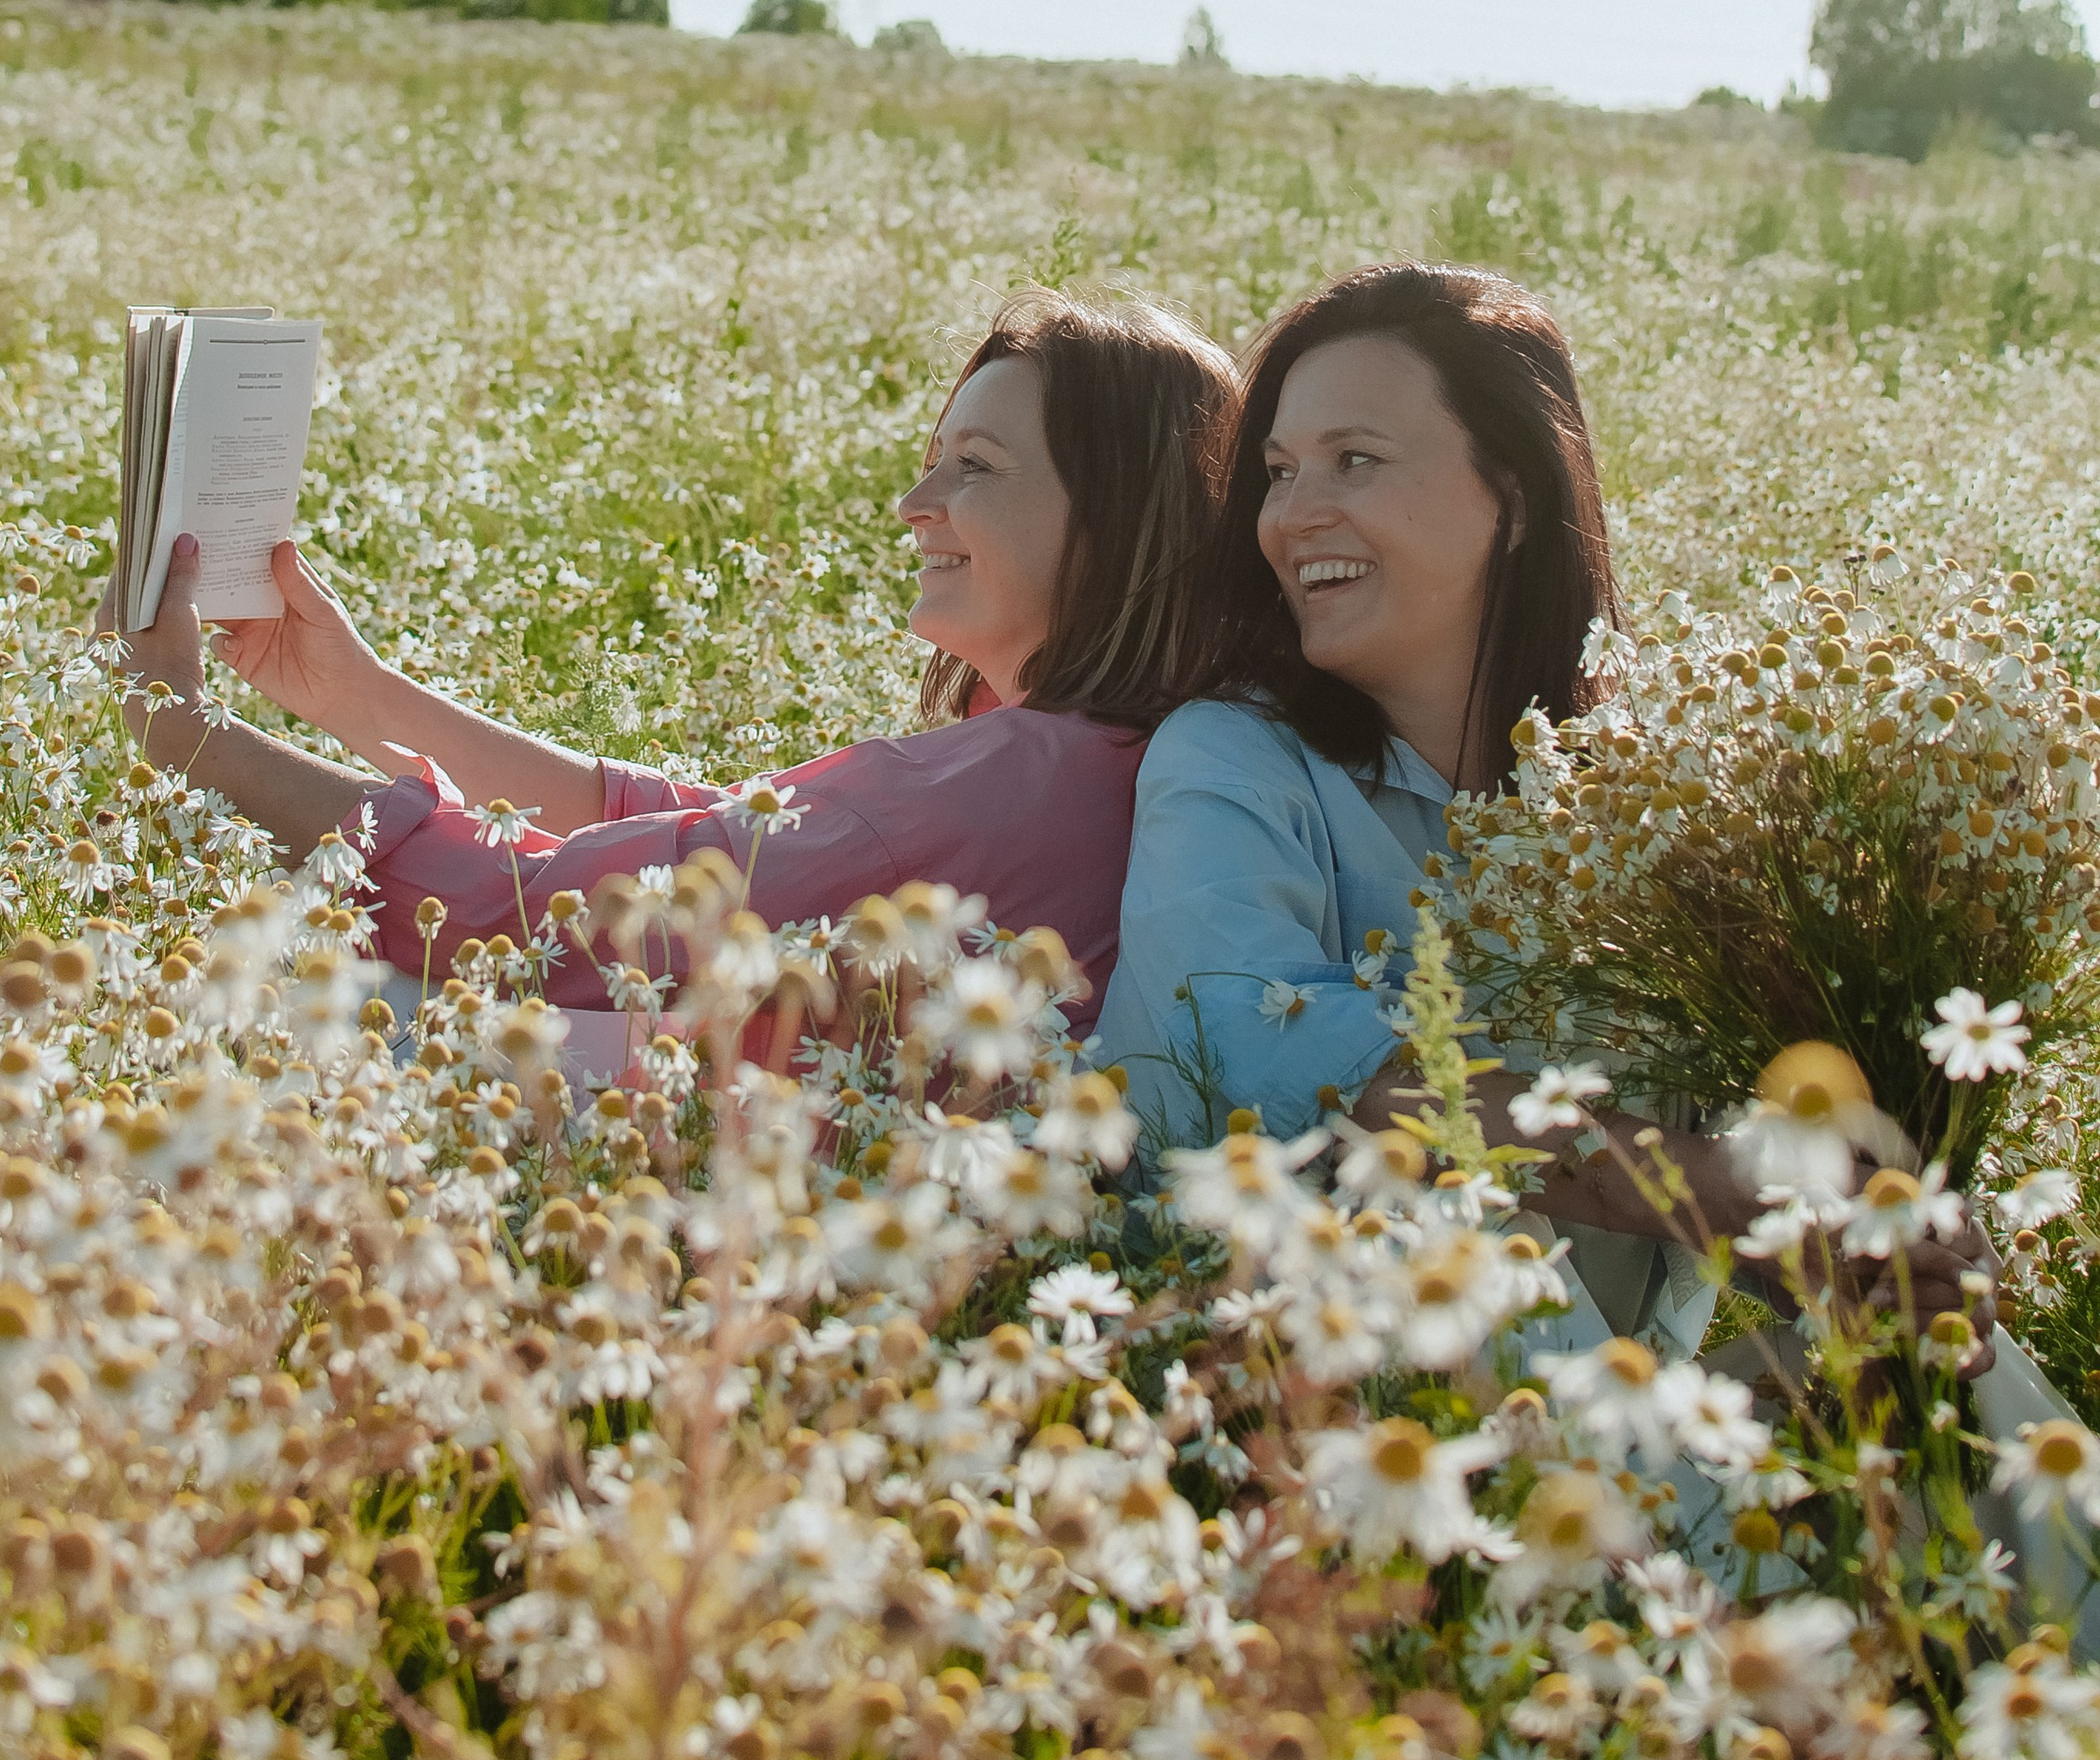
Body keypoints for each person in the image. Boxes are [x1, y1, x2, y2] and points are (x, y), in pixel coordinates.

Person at [1098, 262, 1995, 1364]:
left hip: (1629, 1396)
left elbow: (1743, 1144)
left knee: (1958, 1367)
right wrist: (1701, 1190)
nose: (1290, 516)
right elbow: (1266, 1045)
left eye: (1355, 460)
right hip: (1287, 1379)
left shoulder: (1652, 793)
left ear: (1515, 497)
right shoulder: (1229, 761)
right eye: (1279, 472)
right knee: (1434, 1212)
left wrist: (1858, 1243)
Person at [103, 288, 1235, 1044]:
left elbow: (526, 918)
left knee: (304, 991)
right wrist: (357, 694)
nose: (914, 502)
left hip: (728, 1221)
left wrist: (185, 734)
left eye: (974, 467)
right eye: (932, 458)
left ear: (1121, 520)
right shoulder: (1109, 762)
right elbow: (694, 832)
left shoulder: (1001, 784)